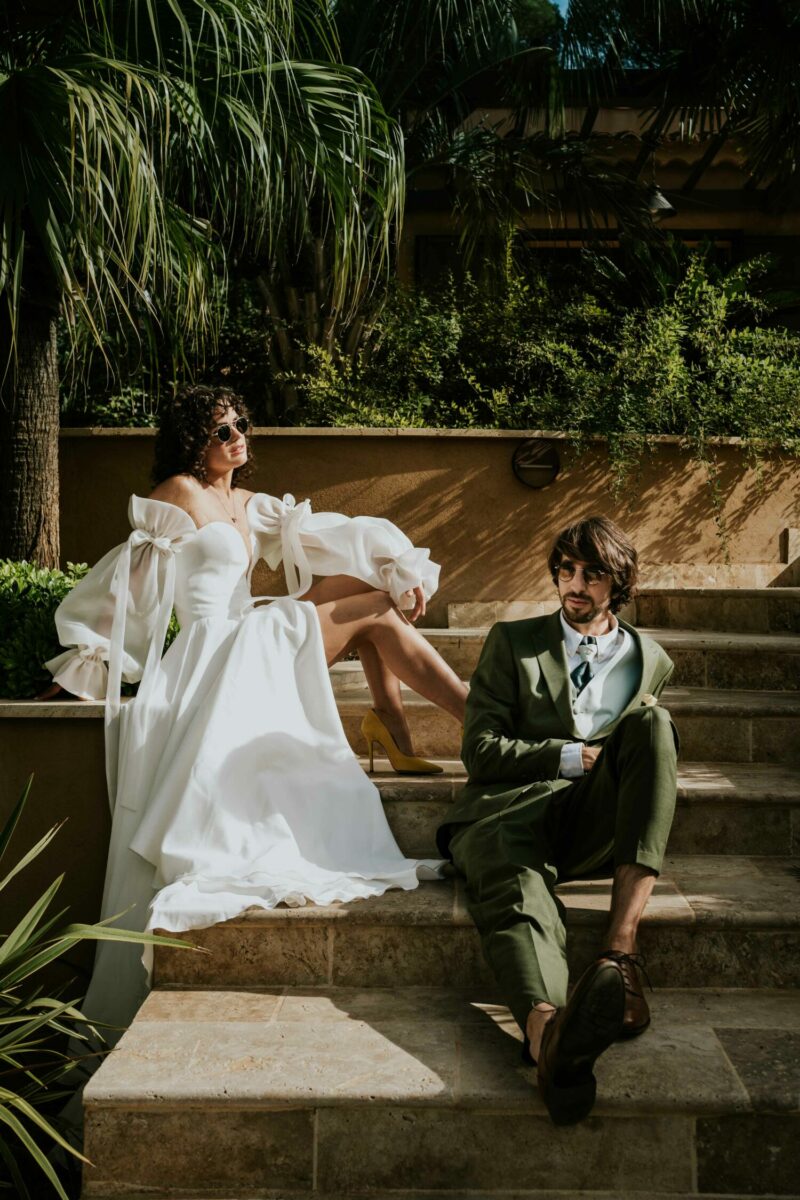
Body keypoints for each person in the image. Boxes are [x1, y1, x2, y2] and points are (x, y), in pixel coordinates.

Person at [41, 385, 467, 1039]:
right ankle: (476, 720)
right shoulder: (177, 494)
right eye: (221, 430)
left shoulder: (249, 503)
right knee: (375, 611)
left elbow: (331, 535)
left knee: (375, 587)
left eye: (241, 423)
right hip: (212, 652)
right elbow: (126, 587)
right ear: (193, 441)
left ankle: (402, 722)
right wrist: (88, 661)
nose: (237, 435)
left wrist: (398, 566)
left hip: (250, 638)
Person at [436, 515, 678, 1126]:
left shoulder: (651, 660)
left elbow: (639, 765)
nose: (575, 584)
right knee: (517, 885)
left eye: (592, 574)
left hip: (588, 820)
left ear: (618, 582)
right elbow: (479, 750)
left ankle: (620, 954)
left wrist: (598, 767)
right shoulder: (513, 642)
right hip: (509, 810)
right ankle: (551, 1037)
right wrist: (568, 755)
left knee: (654, 724)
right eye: (566, 570)